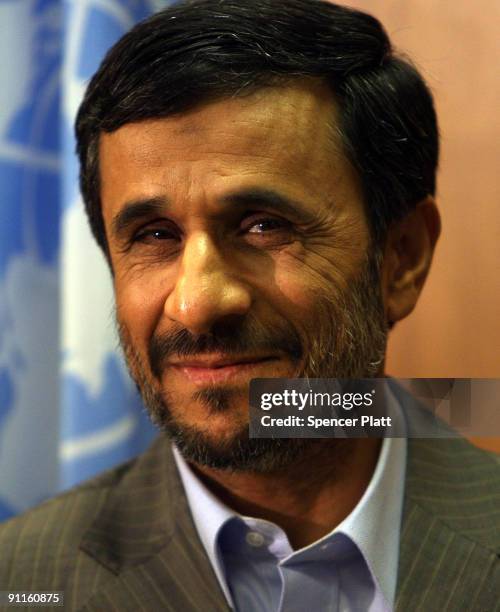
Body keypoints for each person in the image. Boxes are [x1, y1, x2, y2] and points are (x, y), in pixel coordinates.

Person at [0, 0, 499, 610]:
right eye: (155, 236)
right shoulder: (20, 578)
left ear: (402, 258)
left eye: (263, 226)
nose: (196, 304)